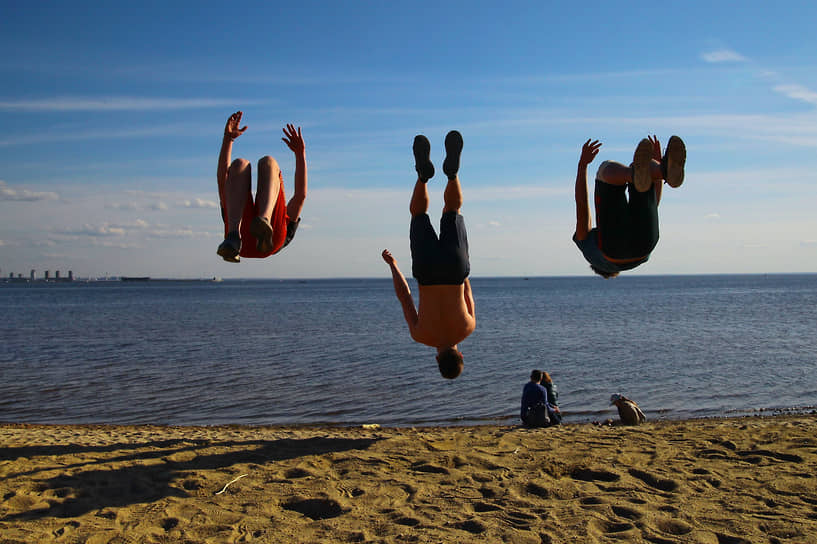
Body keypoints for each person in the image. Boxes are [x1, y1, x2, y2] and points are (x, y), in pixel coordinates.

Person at [381, 130, 475, 379]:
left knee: (451, 210)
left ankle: (452, 174)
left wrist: (461, 266)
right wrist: (393, 265)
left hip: (455, 271)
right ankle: (422, 178)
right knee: (418, 215)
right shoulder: (420, 335)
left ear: (461, 355)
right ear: (437, 359)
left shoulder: (468, 328)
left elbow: (467, 291)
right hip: (426, 273)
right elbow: (404, 296)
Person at [573, 135, 686, 278]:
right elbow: (582, 210)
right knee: (605, 170)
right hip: (613, 250)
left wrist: (655, 169)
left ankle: (661, 171)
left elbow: (653, 204)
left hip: (646, 247)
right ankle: (642, 173)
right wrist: (582, 165)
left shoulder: (599, 254)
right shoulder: (589, 252)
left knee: (644, 177)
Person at [216, 111, 307, 263]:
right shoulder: (284, 225)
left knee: (239, 164)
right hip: (273, 241)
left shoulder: (232, 209)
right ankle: (264, 220)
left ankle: (233, 235)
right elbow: (300, 196)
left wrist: (228, 140)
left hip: (241, 240)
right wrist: (300, 154)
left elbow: (223, 181)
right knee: (269, 163)